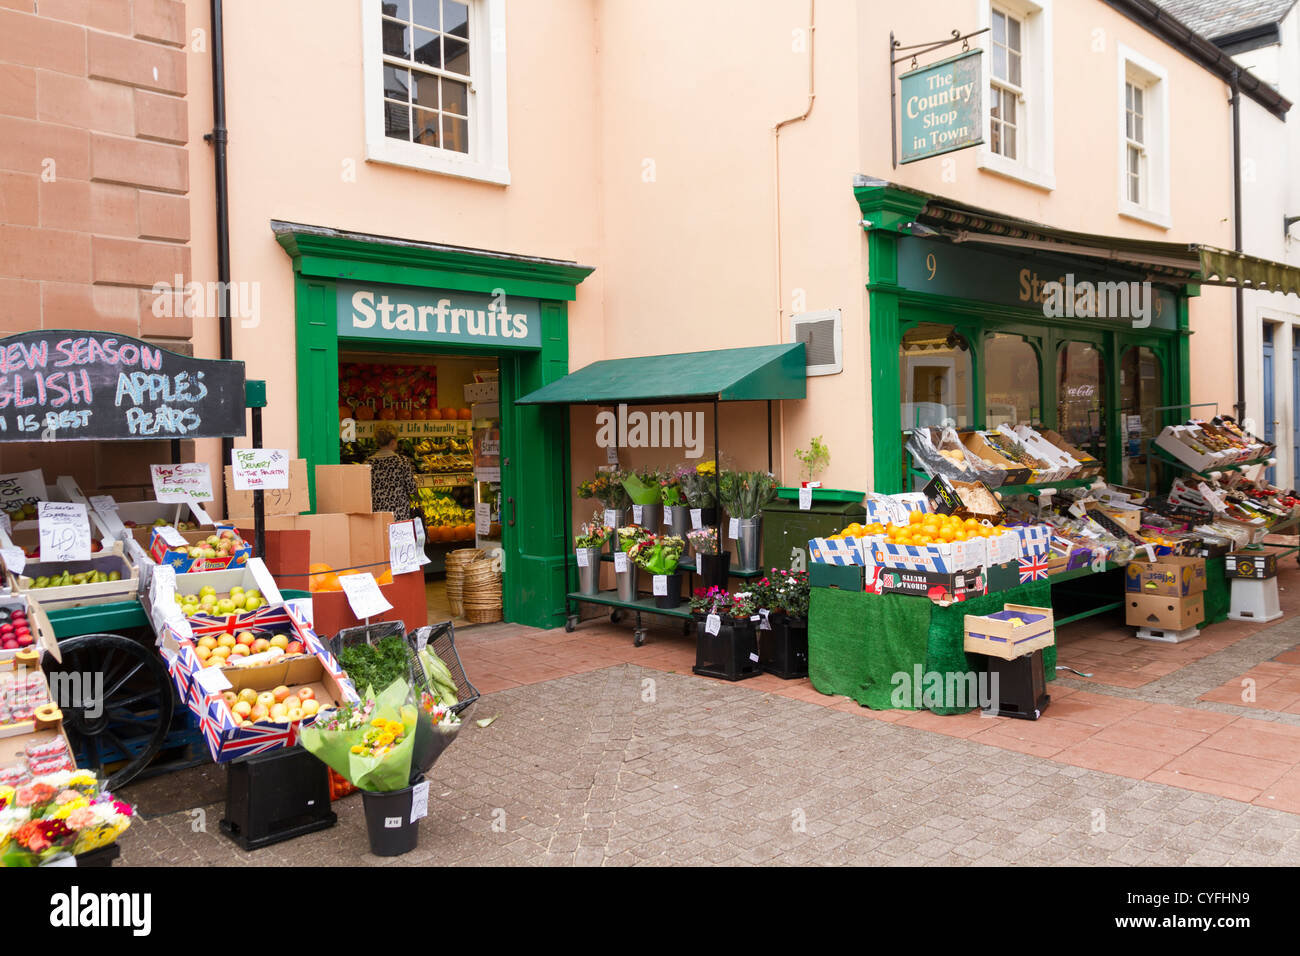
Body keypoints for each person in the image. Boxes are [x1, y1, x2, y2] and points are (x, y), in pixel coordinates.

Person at [367, 423, 416, 520]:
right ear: (393, 442)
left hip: (377, 516)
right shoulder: (402, 461)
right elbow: (412, 489)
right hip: (400, 515)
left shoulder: (368, 464)